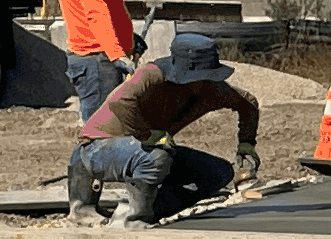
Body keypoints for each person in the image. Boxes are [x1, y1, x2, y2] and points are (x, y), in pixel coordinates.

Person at [67, 26, 262, 226]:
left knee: (218, 172)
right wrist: (148, 134)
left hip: (144, 150)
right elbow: (121, 102)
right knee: (157, 155)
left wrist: (246, 144)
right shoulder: (153, 75)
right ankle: (130, 220)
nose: (204, 83)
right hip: (97, 148)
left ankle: (149, 211)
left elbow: (248, 104)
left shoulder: (212, 89)